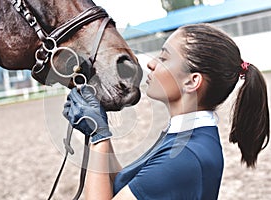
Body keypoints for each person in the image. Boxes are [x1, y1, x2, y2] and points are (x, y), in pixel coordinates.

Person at [63, 23, 270, 199]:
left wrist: (98, 136)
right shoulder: (186, 138)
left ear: (192, 81)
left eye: (163, 58)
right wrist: (97, 131)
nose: (151, 63)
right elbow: (128, 184)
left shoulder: (185, 158)